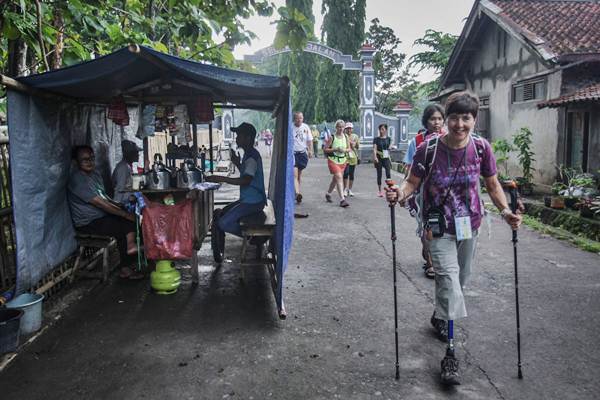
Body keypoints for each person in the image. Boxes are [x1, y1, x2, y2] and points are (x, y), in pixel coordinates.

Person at [385, 91, 522, 385]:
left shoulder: (482, 149)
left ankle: (440, 315)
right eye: (454, 118)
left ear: (474, 120)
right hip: (438, 227)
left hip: (469, 225)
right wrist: (399, 194)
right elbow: (411, 182)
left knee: (459, 282)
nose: (460, 124)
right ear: (445, 120)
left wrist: (506, 211)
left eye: (466, 118)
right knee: (447, 279)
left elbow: (493, 184)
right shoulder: (429, 149)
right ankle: (450, 353)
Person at [68, 145, 141, 279]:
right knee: (124, 224)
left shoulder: (94, 174)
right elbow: (101, 204)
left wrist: (118, 205)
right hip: (88, 222)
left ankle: (132, 253)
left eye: (92, 158)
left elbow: (104, 197)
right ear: (75, 162)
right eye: (85, 160)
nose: (90, 162)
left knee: (129, 215)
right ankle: (126, 266)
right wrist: (124, 214)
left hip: (101, 216)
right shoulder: (77, 180)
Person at [403, 104, 446, 279]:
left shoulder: (448, 139)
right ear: (426, 121)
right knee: (427, 228)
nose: (436, 123)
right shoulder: (417, 142)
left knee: (442, 230)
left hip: (444, 194)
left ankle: (434, 257)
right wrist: (403, 192)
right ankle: (430, 263)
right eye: (432, 119)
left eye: (439, 119)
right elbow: (409, 169)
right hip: (422, 194)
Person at [205, 123, 266, 239]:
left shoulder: (252, 157)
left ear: (248, 138)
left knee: (223, 223)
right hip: (249, 199)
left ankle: (252, 237)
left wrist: (220, 178)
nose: (236, 138)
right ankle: (249, 234)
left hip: (253, 202)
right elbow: (247, 174)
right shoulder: (249, 154)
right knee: (223, 212)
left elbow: (246, 180)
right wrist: (237, 163)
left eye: (239, 136)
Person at [324, 120, 350, 208]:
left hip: (343, 161)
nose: (341, 129)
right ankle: (342, 200)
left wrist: (344, 150)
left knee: (335, 180)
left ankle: (328, 193)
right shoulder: (332, 137)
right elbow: (325, 149)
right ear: (336, 127)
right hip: (333, 160)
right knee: (339, 177)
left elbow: (349, 149)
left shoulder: (346, 137)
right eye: (339, 127)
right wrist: (335, 149)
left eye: (342, 127)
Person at [112, 140, 141, 204]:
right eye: (136, 152)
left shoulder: (127, 166)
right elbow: (119, 189)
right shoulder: (123, 168)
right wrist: (117, 206)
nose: (138, 155)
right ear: (129, 154)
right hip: (123, 203)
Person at [292, 112, 313, 203]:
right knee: (294, 175)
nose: (299, 120)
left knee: (299, 175)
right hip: (293, 154)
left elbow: (310, 140)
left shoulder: (305, 127)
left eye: (301, 118)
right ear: (294, 119)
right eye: (297, 118)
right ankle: (297, 193)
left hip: (302, 154)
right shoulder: (291, 127)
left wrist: (310, 150)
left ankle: (297, 192)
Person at [373, 123, 393, 197]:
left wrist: (391, 147)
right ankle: (379, 191)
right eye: (380, 129)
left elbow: (390, 146)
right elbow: (374, 149)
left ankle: (390, 189)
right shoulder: (376, 139)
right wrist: (375, 157)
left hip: (386, 157)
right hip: (379, 157)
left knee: (388, 173)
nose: (381, 131)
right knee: (379, 174)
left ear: (386, 130)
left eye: (383, 129)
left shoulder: (388, 139)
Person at [343, 122, 360, 197]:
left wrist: (354, 144)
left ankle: (350, 189)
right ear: (345, 129)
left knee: (351, 174)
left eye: (350, 128)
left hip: (353, 157)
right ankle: (344, 189)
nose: (349, 130)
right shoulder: (343, 136)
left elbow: (357, 146)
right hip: (345, 157)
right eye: (347, 128)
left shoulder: (355, 136)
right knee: (346, 173)